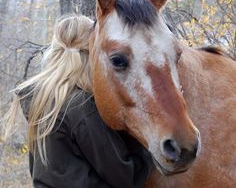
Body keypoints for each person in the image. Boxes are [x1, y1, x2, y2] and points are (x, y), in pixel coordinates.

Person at [2, 14, 154, 188]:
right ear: (92, 52)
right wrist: (149, 150)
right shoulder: (81, 106)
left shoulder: (43, 100)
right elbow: (125, 176)